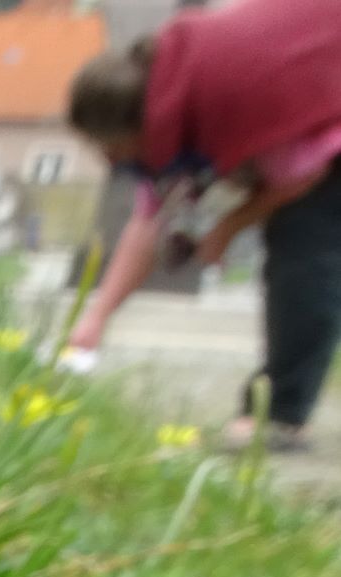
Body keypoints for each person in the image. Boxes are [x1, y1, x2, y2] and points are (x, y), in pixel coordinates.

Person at [65, 0, 341, 450]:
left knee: (304, 248)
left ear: (142, 127)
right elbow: (149, 222)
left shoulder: (234, 100)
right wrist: (94, 320)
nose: (110, 161)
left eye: (112, 149)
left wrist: (229, 226)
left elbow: (303, 175)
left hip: (325, 123)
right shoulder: (174, 105)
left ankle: (280, 417)